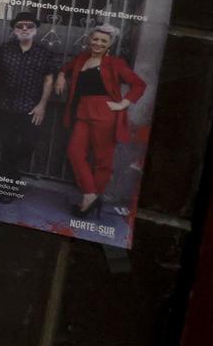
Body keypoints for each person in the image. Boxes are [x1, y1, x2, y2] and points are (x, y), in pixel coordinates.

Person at [56, 24, 148, 217]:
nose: (98, 43)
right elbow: (66, 67)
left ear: (109, 45)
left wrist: (123, 103)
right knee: (74, 152)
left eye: (103, 41)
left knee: (102, 160)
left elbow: (138, 84)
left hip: (105, 115)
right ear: (89, 40)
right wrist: (61, 76)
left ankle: (90, 198)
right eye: (95, 39)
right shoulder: (81, 58)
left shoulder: (115, 63)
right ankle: (90, 195)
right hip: (82, 113)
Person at [0, 11, 60, 199]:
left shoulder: (44, 53)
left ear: (35, 29)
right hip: (6, 105)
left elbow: (49, 80)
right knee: (8, 144)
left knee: (29, 144)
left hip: (31, 107)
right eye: (20, 25)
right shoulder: (5, 49)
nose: (24, 29)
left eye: (29, 26)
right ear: (14, 29)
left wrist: (42, 105)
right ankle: (9, 188)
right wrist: (6, 81)